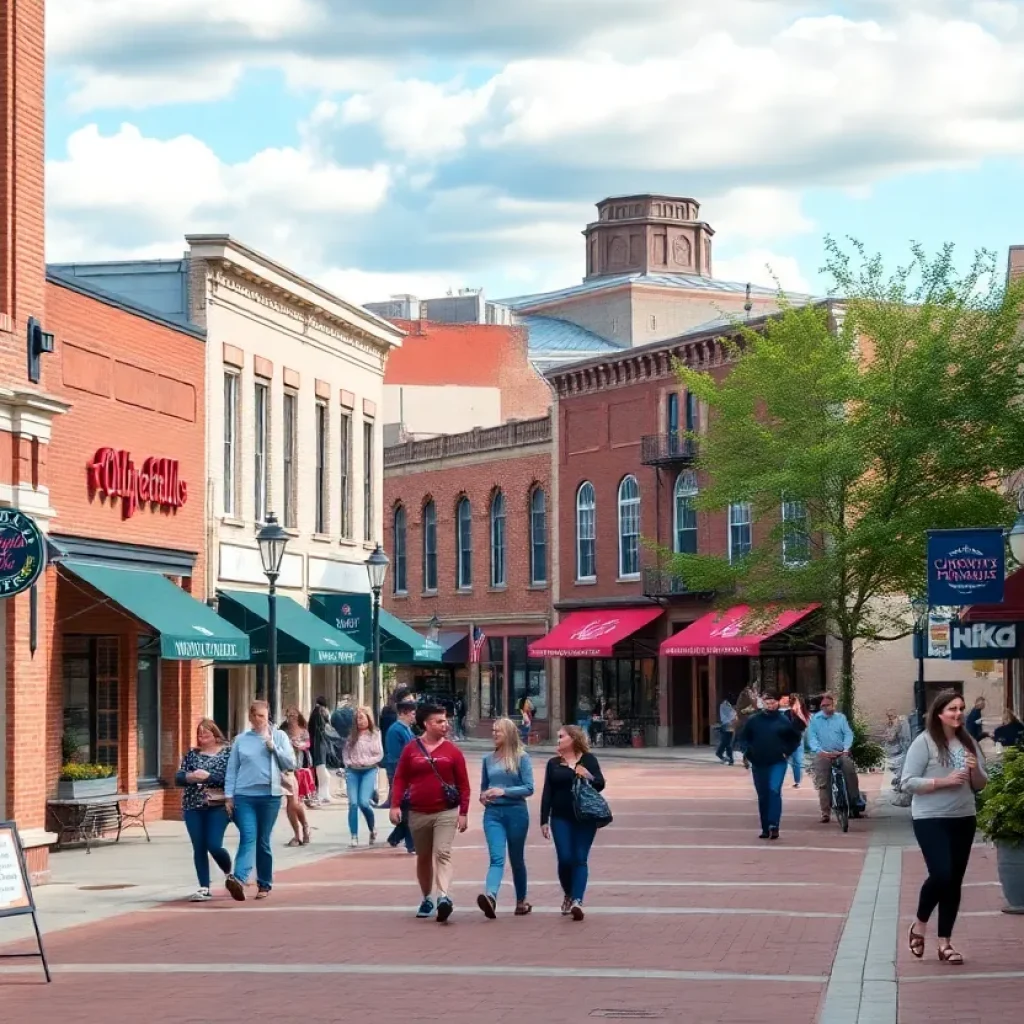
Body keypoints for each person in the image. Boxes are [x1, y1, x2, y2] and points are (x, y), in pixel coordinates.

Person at [901, 689, 988, 965]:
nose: (958, 713)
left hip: (963, 817)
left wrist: (974, 771)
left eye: (961, 708)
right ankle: (919, 924)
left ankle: (945, 943)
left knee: (954, 881)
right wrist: (943, 782)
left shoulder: (969, 742)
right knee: (942, 873)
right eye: (952, 709)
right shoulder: (924, 743)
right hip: (930, 818)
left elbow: (980, 784)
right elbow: (907, 782)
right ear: (939, 713)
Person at [389, 702, 470, 923]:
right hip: (417, 812)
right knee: (423, 857)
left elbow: (463, 784)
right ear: (426, 724)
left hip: (446, 811)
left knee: (442, 853)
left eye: (445, 720)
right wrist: (395, 805)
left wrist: (463, 812)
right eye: (439, 721)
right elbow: (400, 778)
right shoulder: (411, 749)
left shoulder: (453, 751)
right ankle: (427, 898)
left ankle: (444, 897)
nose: (445, 725)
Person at [223, 700, 296, 902]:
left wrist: (274, 749)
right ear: (249, 717)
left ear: (268, 716)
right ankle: (238, 878)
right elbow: (232, 769)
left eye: (262, 716)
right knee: (248, 836)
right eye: (254, 716)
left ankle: (264, 883)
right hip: (244, 795)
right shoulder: (241, 740)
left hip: (270, 796)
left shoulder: (278, 736)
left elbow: (291, 763)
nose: (258, 720)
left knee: (262, 841)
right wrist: (229, 796)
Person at [540, 724, 606, 921]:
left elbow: (600, 784)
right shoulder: (553, 763)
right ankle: (568, 892)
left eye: (561, 736)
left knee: (580, 858)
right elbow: (547, 792)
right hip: (560, 817)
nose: (558, 739)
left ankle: (577, 900)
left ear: (573, 739)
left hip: (585, 817)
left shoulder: (589, 760)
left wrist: (588, 775)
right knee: (565, 858)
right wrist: (544, 819)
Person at [477, 717, 535, 919]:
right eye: (493, 731)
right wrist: (484, 796)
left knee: (516, 859)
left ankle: (521, 901)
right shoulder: (488, 759)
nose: (494, 734)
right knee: (496, 857)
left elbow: (529, 788)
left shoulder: (521, 758)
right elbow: (484, 787)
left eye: (498, 731)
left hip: (516, 812)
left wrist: (504, 791)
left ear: (508, 734)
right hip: (493, 814)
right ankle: (491, 896)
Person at [176, 719, 232, 902]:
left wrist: (209, 777)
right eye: (199, 735)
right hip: (193, 804)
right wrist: (190, 776)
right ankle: (204, 887)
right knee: (198, 846)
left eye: (205, 734)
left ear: (215, 735)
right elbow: (179, 776)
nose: (201, 738)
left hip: (218, 805)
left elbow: (229, 779)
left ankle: (229, 873)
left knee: (213, 844)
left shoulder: (227, 753)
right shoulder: (192, 755)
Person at [741, 691, 806, 840]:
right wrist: (748, 752)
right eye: (767, 702)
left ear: (778, 702)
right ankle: (765, 828)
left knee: (774, 790)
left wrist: (786, 752)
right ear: (762, 703)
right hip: (758, 762)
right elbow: (743, 738)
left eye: (772, 702)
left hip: (777, 762)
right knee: (763, 795)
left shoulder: (783, 720)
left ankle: (773, 825)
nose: (770, 705)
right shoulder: (753, 720)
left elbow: (795, 738)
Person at [807, 692, 862, 823]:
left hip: (840, 752)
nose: (826, 708)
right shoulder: (815, 720)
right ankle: (825, 812)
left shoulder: (840, 718)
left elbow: (848, 734)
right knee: (823, 782)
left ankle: (854, 802)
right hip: (823, 753)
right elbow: (812, 737)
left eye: (828, 705)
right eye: (823, 706)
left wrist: (846, 749)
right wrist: (820, 751)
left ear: (833, 705)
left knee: (849, 769)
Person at [343, 706, 383, 847]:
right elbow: (346, 753)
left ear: (368, 719)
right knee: (353, 803)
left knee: (363, 802)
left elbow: (379, 754)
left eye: (362, 718)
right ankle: (354, 835)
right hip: (353, 771)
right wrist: (348, 763)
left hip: (369, 770)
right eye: (357, 719)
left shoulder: (375, 734)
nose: (360, 721)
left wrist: (366, 762)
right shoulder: (351, 735)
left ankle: (372, 829)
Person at [385, 700, 418, 852]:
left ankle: (396, 836)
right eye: (412, 714)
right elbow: (394, 756)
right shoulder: (395, 730)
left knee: (409, 808)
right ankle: (411, 843)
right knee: (410, 809)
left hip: (409, 774)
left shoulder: (407, 730)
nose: (414, 717)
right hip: (401, 775)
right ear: (403, 713)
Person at [280, 707, 313, 846]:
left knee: (296, 803)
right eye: (289, 715)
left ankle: (305, 826)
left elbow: (308, 743)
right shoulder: (283, 730)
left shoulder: (303, 730)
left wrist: (301, 745)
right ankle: (297, 834)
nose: (291, 718)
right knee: (290, 803)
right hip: (286, 769)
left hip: (300, 769)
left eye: (293, 715)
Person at [308, 696, 335, 805]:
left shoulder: (316, 712)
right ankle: (322, 794)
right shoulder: (320, 713)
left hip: (318, 744)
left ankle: (324, 794)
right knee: (322, 771)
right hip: (319, 745)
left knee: (322, 772)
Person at [787, 695, 809, 788]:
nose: (792, 701)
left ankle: (797, 781)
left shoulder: (804, 713)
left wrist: (798, 711)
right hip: (787, 738)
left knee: (797, 761)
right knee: (786, 760)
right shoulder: (787, 713)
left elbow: (804, 724)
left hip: (798, 739)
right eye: (791, 700)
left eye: (794, 700)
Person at [734, 686, 758, 768]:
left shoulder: (745, 698)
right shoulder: (747, 694)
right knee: (746, 742)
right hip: (745, 724)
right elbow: (755, 706)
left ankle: (747, 757)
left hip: (745, 724)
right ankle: (747, 757)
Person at [716, 696, 737, 765]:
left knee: (727, 743)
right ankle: (723, 755)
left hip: (730, 725)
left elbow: (733, 715)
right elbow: (729, 716)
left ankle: (729, 758)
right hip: (727, 725)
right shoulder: (724, 705)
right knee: (725, 742)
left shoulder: (729, 705)